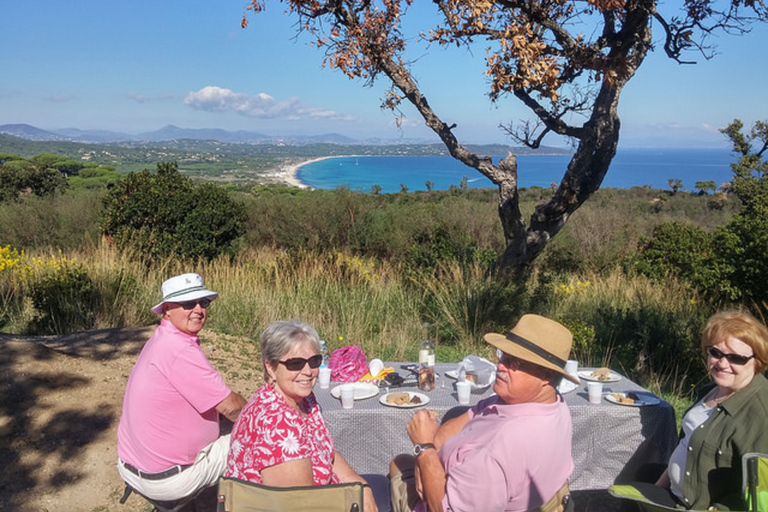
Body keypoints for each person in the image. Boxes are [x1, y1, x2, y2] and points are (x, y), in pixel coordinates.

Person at [389, 314, 577, 512]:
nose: (501, 365)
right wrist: (428, 458)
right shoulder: (548, 404)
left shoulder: (497, 451)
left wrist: (423, 449)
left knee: (398, 464)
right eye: (503, 355)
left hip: (443, 500)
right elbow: (472, 414)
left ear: (546, 375)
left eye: (515, 363)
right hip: (464, 484)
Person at [117, 273, 247, 502]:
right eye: (188, 303)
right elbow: (232, 408)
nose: (198, 309)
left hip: (135, 465)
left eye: (203, 303)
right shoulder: (179, 350)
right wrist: (268, 416)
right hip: (166, 479)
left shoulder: (162, 338)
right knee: (260, 436)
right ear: (167, 309)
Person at [225, 320, 378, 512]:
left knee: (382, 484)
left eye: (314, 361)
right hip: (305, 504)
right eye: (295, 363)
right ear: (271, 367)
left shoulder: (302, 400)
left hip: (324, 494)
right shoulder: (277, 426)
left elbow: (326, 450)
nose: (307, 372)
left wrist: (360, 485)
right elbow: (301, 504)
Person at [636, 309, 768, 510]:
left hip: (696, 506)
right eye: (715, 353)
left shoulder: (760, 413)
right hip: (675, 490)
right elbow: (686, 444)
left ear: (757, 360)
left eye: (736, 358)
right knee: (640, 475)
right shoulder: (712, 390)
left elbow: (759, 495)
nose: (723, 363)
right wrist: (656, 490)